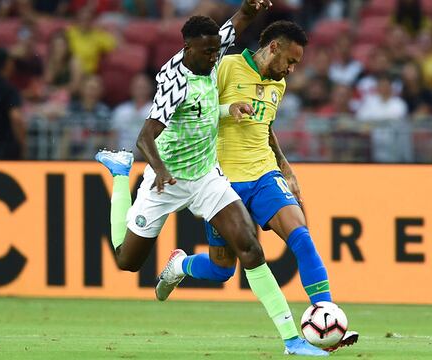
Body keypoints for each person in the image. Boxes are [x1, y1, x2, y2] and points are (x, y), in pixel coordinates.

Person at [94, 1, 328, 356]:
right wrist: (158, 170)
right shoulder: (173, 81)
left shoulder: (211, 54)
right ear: (188, 49)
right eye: (208, 53)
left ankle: (292, 340)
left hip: (206, 176)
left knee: (250, 248)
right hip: (167, 179)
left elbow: (238, 22)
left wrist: (250, 6)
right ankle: (120, 174)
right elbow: (146, 136)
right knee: (126, 260)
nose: (214, 58)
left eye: (217, 51)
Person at [206, 20, 357, 350]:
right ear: (273, 47)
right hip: (221, 182)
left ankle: (327, 316)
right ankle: (179, 265)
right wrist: (227, 110)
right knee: (220, 270)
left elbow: (266, 128)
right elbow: (194, 112)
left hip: (263, 173)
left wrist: (286, 168)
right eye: (290, 61)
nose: (290, 70)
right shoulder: (226, 67)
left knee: (301, 235)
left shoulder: (278, 85)